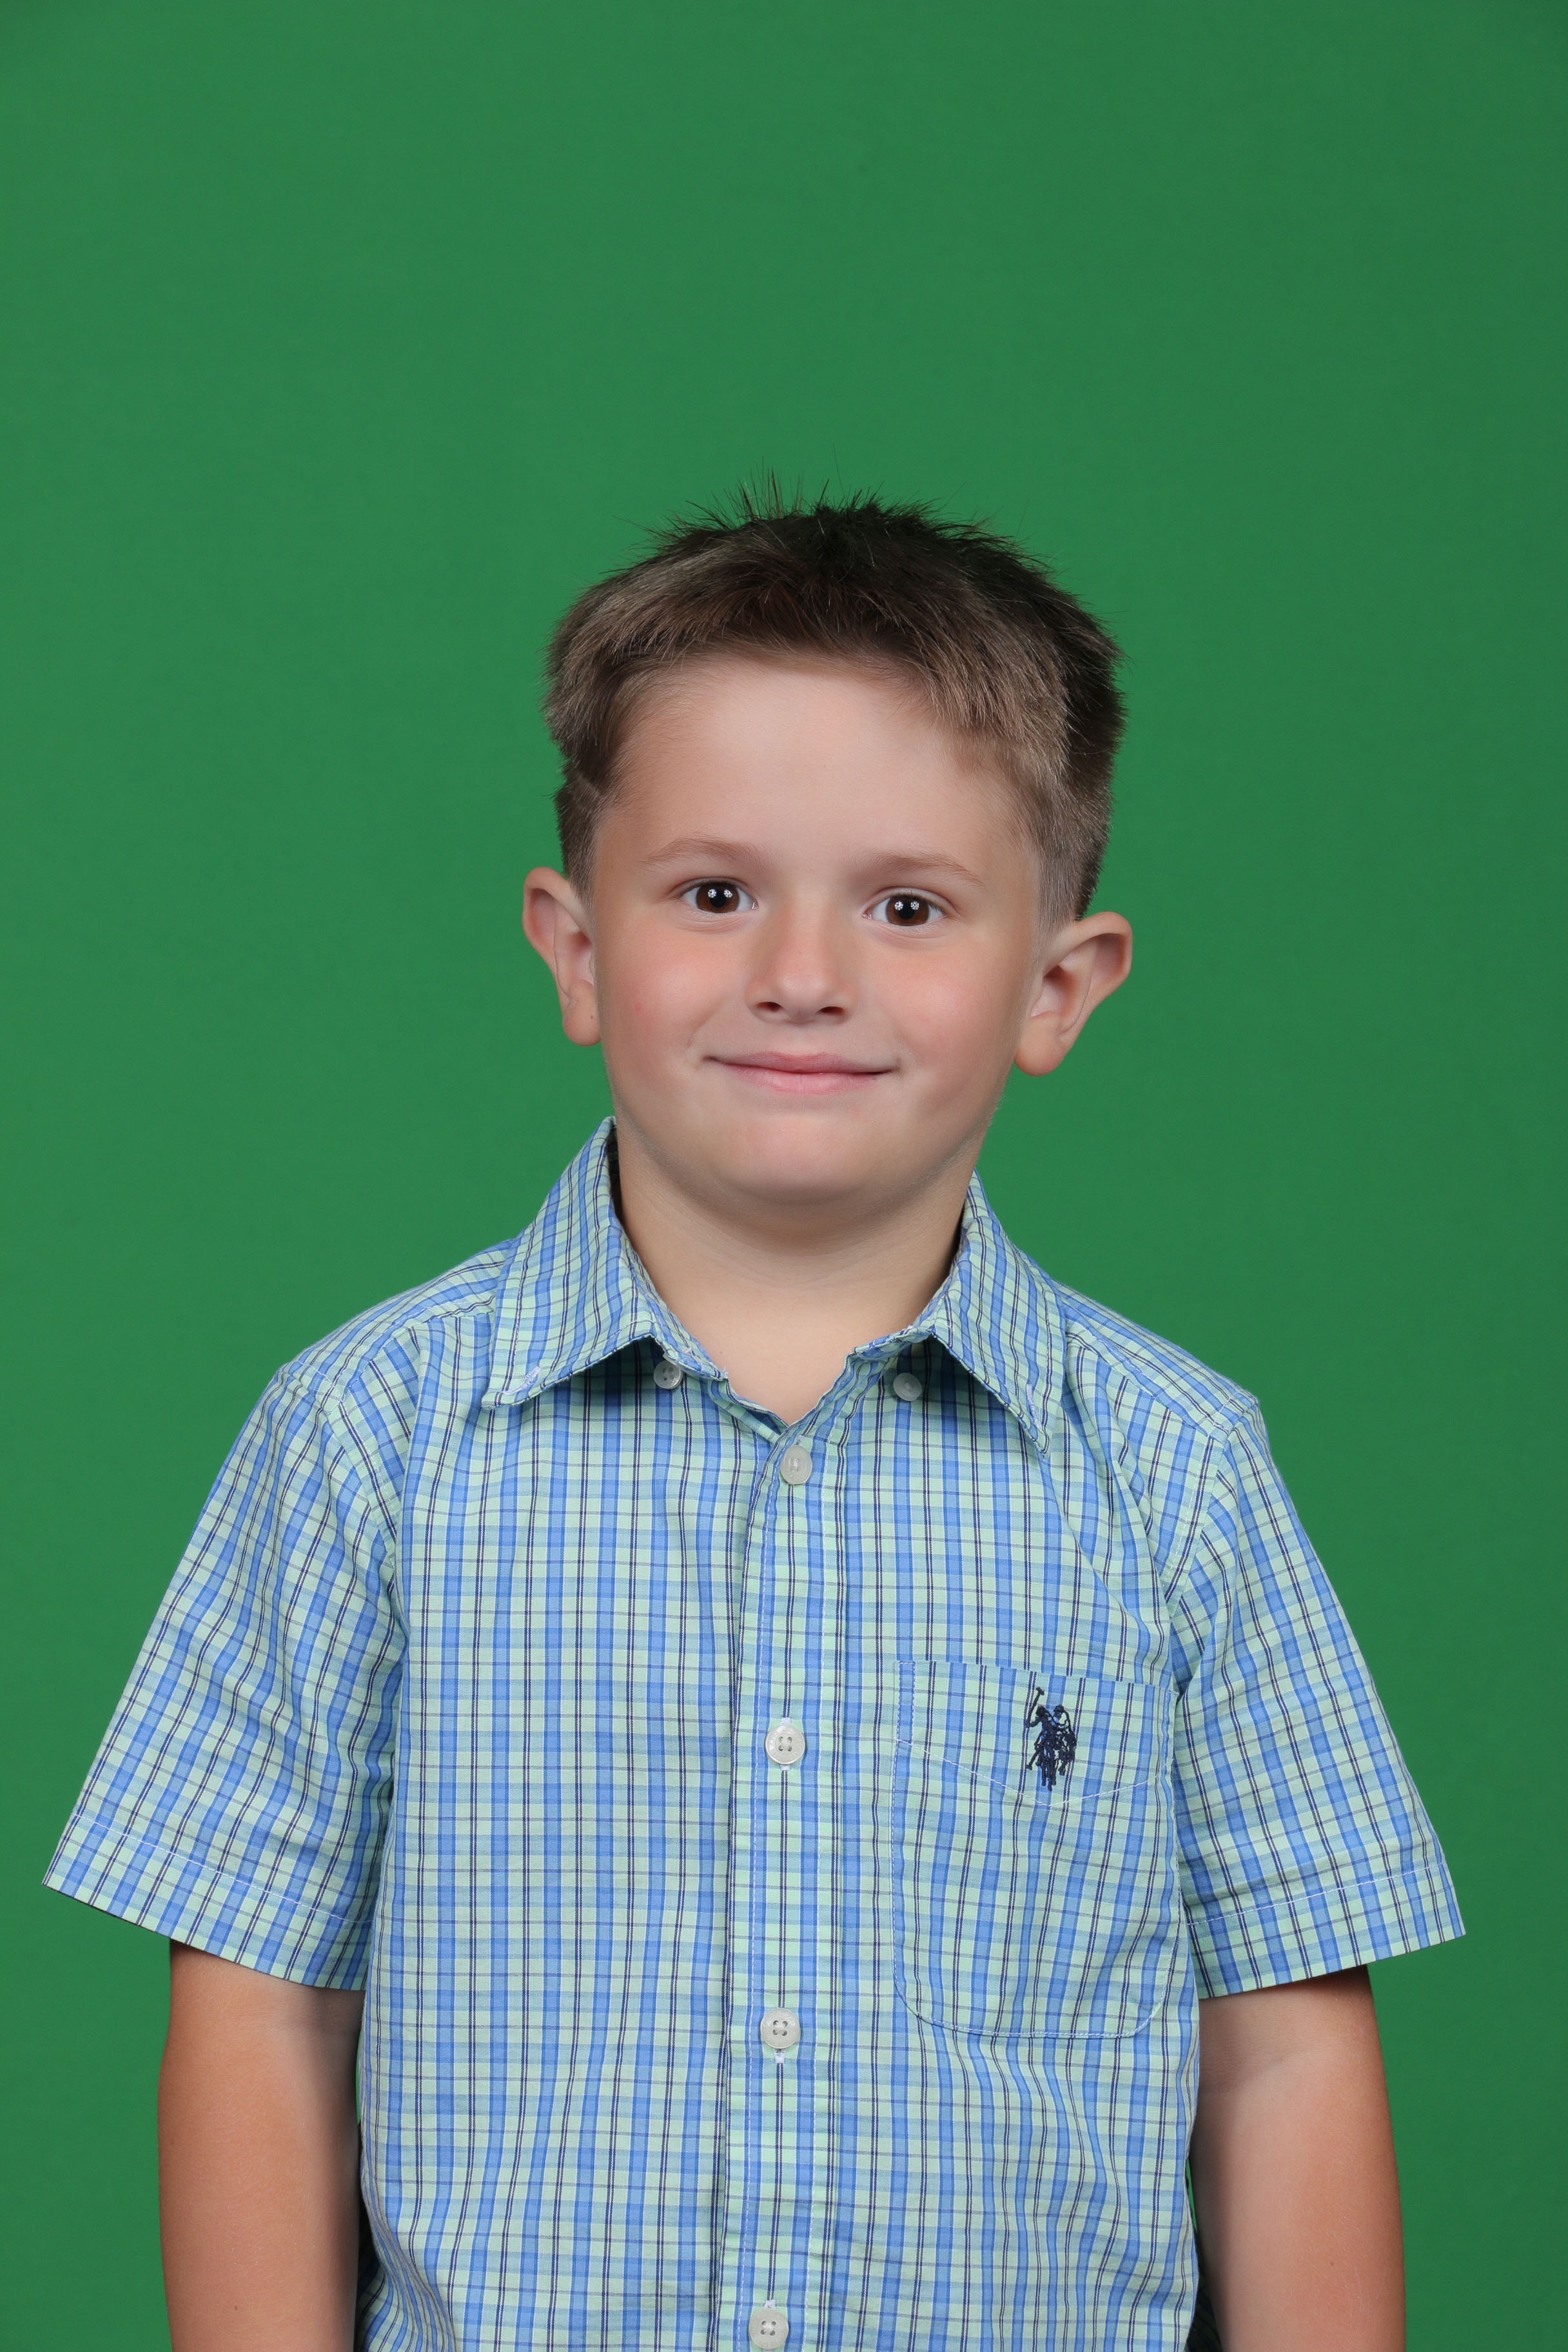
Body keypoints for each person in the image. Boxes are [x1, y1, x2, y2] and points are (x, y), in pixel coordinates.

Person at [46, 493, 1461, 2352]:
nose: (803, 972)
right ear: (575, 948)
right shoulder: (369, 1436)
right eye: (715, 894)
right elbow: (260, 2009)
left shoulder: (1176, 1473)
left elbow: (1282, 2045)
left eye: (906, 906)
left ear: (1057, 985)